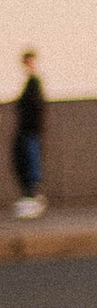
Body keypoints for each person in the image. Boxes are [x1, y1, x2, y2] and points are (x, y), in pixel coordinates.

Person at [12, 52, 43, 217]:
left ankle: (32, 199)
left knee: (31, 164)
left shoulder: (34, 83)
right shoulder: (31, 83)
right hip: (29, 130)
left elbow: (33, 108)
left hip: (31, 130)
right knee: (27, 163)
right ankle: (31, 198)